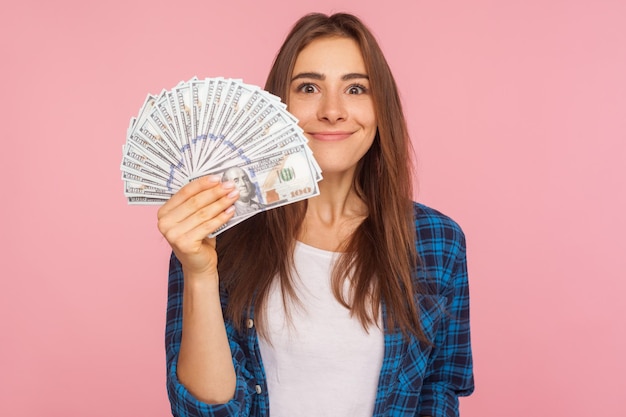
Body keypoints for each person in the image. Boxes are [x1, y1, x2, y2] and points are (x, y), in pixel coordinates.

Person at [157, 12, 474, 417]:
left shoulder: (438, 241)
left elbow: (440, 388)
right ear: (276, 107)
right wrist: (200, 273)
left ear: (382, 108)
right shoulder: (219, 233)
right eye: (309, 87)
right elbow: (204, 412)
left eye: (356, 88)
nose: (332, 110)